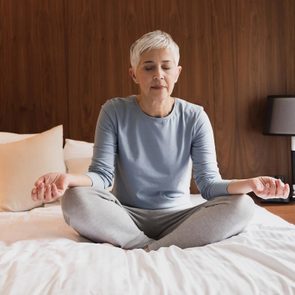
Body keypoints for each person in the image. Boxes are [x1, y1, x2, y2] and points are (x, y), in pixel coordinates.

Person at [31, 30, 290, 251]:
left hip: (179, 218)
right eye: (148, 67)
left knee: (243, 205)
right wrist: (68, 180)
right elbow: (102, 176)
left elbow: (209, 186)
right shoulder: (114, 111)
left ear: (177, 73)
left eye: (166, 67)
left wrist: (251, 184)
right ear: (134, 74)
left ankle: (149, 248)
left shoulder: (195, 117)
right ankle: (147, 243)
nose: (158, 74)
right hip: (123, 214)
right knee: (74, 199)